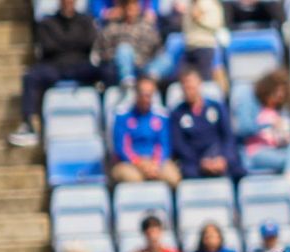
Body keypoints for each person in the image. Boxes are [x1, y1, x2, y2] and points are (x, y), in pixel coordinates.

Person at [10, 0, 102, 148]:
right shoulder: (47, 22)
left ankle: (108, 122)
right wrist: (74, 43)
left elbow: (89, 42)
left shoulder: (86, 20)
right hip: (55, 67)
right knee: (31, 76)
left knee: (108, 70)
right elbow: (47, 46)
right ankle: (29, 124)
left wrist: (63, 42)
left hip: (80, 66)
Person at [170, 65, 242, 180]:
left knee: (238, 169)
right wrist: (202, 162)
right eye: (186, 87)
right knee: (189, 173)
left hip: (218, 155)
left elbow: (228, 136)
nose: (189, 90)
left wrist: (223, 158)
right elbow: (179, 145)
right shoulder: (177, 113)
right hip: (195, 161)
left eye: (192, 86)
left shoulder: (216, 107)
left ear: (199, 84)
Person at [242, 68, 290, 178]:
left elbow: (281, 139)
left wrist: (285, 137)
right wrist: (268, 124)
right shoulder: (254, 105)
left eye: (282, 92)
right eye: (276, 91)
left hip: (277, 150)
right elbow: (244, 129)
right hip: (257, 151)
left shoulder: (280, 112)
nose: (279, 95)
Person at [111, 75, 181, 186]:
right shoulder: (123, 118)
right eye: (143, 94)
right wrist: (140, 164)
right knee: (134, 179)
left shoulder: (161, 118)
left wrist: (154, 164)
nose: (146, 98)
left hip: (155, 162)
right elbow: (122, 147)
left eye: (149, 95)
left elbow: (164, 145)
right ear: (136, 94)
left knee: (173, 177)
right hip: (130, 163)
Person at [94, 0, 169, 86]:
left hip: (144, 66)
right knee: (124, 49)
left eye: (133, 8)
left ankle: (148, 80)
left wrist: (143, 61)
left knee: (166, 60)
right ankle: (128, 81)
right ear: (122, 9)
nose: (130, 12)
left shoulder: (147, 27)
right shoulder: (112, 27)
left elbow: (157, 49)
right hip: (119, 69)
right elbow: (102, 52)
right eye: (128, 9)